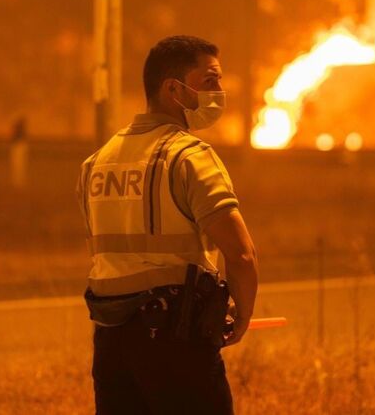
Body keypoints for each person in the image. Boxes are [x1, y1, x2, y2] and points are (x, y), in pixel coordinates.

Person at [76, 35, 259, 415]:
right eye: (209, 81)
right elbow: (240, 253)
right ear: (173, 89)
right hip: (176, 340)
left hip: (111, 343)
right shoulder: (189, 157)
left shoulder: (96, 163)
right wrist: (241, 316)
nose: (219, 92)